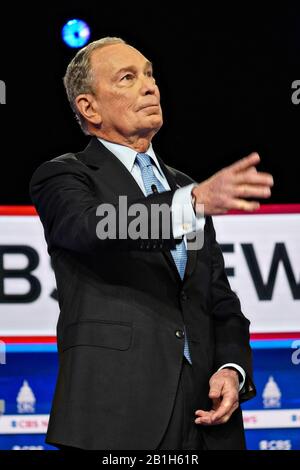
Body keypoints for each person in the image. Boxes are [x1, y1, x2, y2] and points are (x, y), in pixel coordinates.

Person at [29, 37, 274, 450]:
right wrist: (192, 203)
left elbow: (220, 303)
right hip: (116, 420)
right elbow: (95, 227)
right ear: (89, 107)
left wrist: (232, 369)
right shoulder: (64, 176)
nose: (149, 86)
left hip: (207, 421)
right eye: (128, 77)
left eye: (150, 74)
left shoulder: (182, 187)